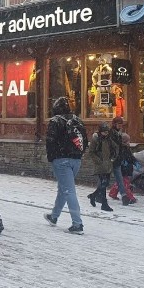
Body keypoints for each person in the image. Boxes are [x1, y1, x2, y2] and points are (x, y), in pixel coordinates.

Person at [43, 97, 87, 234]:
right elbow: (85, 139)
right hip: (76, 159)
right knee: (64, 188)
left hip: (61, 159)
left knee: (68, 190)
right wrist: (79, 154)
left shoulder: (55, 121)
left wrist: (52, 157)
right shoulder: (77, 120)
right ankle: (54, 216)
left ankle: (77, 223)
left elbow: (50, 141)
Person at [86, 122, 116, 212]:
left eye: (107, 132)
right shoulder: (96, 139)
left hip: (108, 164)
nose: (106, 134)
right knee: (103, 183)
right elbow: (91, 152)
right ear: (100, 132)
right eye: (104, 132)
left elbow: (114, 148)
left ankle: (93, 195)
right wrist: (98, 161)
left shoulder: (109, 139)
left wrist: (113, 157)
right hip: (100, 164)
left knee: (105, 183)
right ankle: (104, 203)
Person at [109, 116, 135, 205]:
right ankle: (97, 194)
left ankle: (124, 196)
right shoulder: (111, 133)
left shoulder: (118, 133)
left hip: (117, 160)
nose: (120, 126)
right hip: (112, 159)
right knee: (105, 180)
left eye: (121, 124)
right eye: (118, 124)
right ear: (114, 124)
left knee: (120, 180)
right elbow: (113, 147)